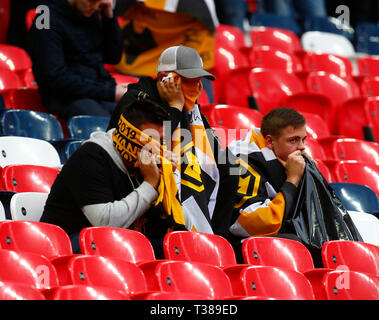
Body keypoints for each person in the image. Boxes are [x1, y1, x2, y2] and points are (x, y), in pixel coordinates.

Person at [108, 45, 234, 239]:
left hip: (178, 167)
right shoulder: (137, 99)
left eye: (198, 80)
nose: (195, 87)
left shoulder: (190, 106)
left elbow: (213, 147)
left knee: (231, 169)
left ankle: (217, 239)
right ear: (164, 77)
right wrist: (175, 107)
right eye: (187, 80)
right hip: (140, 173)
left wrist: (225, 161)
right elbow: (152, 147)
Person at [40, 99, 185, 257]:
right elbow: (105, 223)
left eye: (162, 140)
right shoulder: (91, 158)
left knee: (178, 249)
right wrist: (150, 185)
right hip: (64, 242)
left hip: (116, 242)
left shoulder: (149, 163)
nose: (159, 149)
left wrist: (170, 179)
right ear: (130, 138)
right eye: (152, 140)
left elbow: (166, 223)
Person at [224, 107, 309, 261]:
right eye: (293, 140)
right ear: (269, 141)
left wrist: (308, 176)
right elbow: (250, 225)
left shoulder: (281, 155)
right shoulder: (242, 161)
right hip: (235, 244)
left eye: (303, 139)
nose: (302, 147)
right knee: (298, 243)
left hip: (263, 237)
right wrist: (293, 180)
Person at [27, 0, 128, 120]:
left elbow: (113, 58)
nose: (95, 7)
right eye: (92, 1)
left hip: (98, 90)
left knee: (140, 117)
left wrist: (109, 18)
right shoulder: (47, 18)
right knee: (109, 129)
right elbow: (55, 78)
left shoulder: (91, 12)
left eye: (99, 2)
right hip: (66, 97)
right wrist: (110, 92)